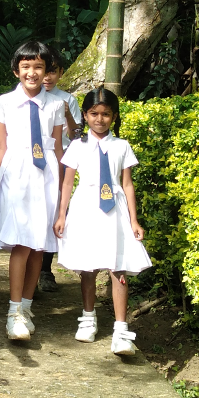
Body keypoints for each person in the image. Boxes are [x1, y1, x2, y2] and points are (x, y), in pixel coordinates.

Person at [53, 88, 150, 355]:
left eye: (106, 114)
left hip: (115, 211)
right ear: (85, 115)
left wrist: (134, 220)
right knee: (88, 266)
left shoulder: (122, 146)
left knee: (118, 266)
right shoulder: (77, 146)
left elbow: (127, 184)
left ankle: (121, 330)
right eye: (94, 114)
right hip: (86, 208)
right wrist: (61, 214)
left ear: (114, 116)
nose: (99, 119)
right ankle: (88, 318)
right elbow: (67, 183)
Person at [0, 41, 67, 342]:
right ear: (16, 70)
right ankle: (13, 311)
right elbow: (0, 146)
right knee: (21, 243)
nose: (32, 72)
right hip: (16, 175)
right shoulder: (5, 102)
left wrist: (63, 196)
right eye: (26, 66)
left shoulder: (55, 105)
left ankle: (27, 307)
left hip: (46, 176)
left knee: (38, 246)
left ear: (47, 71)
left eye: (38, 67)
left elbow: (58, 148)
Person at [39, 52, 81, 293]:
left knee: (55, 209)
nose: (47, 77)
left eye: (53, 72)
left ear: (61, 73)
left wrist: (67, 114)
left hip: (61, 158)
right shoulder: (27, 96)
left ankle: (45, 269)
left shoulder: (67, 99)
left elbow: (76, 135)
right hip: (34, 158)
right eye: (45, 71)